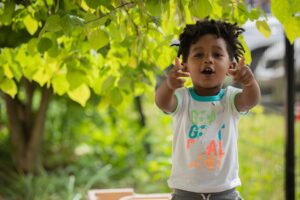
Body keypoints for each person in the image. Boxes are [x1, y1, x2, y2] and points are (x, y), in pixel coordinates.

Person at [155, 19, 260, 200]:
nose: (208, 59)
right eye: (198, 55)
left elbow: (250, 101)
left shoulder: (231, 100)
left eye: (217, 55)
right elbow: (163, 102)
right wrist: (169, 85)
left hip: (225, 193)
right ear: (185, 65)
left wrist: (249, 83)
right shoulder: (182, 99)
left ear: (231, 66)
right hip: (185, 193)